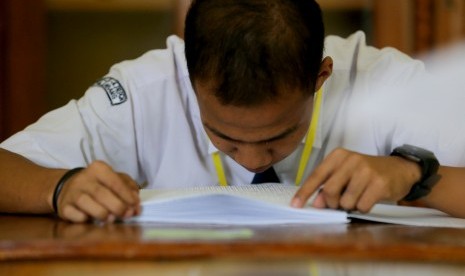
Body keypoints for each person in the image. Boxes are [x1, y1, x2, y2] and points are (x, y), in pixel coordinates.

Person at [1, 0, 465, 223]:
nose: (252, 161)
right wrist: (57, 187)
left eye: (276, 138)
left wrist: (416, 176)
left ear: (321, 77)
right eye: (224, 137)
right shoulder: (146, 90)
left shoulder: (383, 82)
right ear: (188, 78)